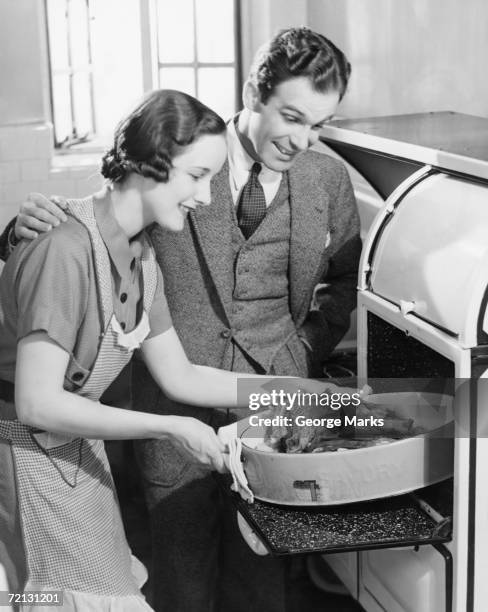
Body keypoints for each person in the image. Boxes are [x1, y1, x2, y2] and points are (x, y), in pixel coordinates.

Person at [2, 27, 362, 612]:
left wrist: (296, 388)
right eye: (292, 117)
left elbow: (184, 373)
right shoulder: (90, 228)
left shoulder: (144, 264)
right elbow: (40, 392)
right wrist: (171, 427)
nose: (204, 194)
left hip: (95, 451)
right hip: (59, 452)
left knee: (251, 582)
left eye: (317, 127)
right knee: (135, 588)